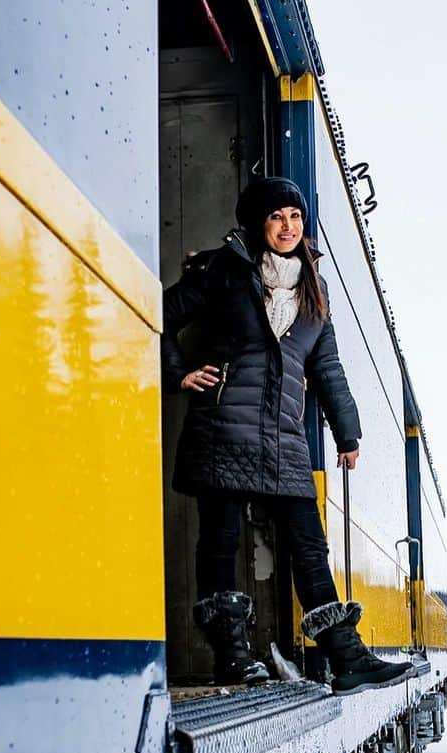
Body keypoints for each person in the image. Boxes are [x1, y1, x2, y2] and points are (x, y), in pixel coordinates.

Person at [161, 176, 413, 695]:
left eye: (295, 217)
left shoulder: (313, 294)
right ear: (259, 223)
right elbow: (160, 313)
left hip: (283, 438)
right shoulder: (225, 271)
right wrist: (178, 372)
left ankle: (346, 658)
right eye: (277, 217)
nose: (287, 226)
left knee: (309, 544)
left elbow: (329, 370)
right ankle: (233, 658)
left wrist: (349, 432)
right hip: (223, 429)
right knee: (220, 543)